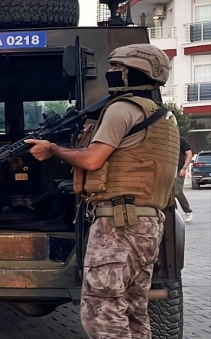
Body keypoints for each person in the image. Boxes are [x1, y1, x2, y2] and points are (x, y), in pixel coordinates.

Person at [24, 43, 179, 338]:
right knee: (134, 309)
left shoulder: (123, 109)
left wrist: (53, 148)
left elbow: (93, 160)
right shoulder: (162, 115)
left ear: (133, 73)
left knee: (102, 311)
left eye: (116, 67)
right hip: (146, 223)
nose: (110, 72)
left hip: (119, 225)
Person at [175, 136, 193, 222]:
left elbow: (189, 154)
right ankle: (173, 212)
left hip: (179, 170)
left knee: (177, 191)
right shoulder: (165, 140)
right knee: (168, 193)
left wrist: (184, 168)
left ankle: (188, 211)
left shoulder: (181, 140)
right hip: (168, 171)